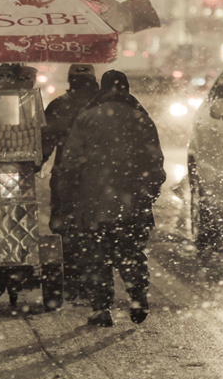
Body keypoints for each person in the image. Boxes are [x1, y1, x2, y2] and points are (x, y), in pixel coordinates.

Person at [51, 70, 166, 327]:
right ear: (125, 88)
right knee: (131, 253)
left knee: (95, 256)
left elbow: (69, 165)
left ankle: (101, 308)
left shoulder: (86, 118)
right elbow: (155, 164)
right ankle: (137, 298)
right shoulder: (141, 119)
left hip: (93, 206)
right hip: (131, 205)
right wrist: (146, 197)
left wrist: (67, 200)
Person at [41, 64, 99, 299]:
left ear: (70, 80)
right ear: (93, 80)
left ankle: (73, 278)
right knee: (94, 226)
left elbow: (46, 139)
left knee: (64, 226)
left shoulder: (59, 105)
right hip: (98, 178)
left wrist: (39, 161)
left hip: (66, 176)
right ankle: (93, 279)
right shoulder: (102, 106)